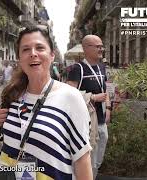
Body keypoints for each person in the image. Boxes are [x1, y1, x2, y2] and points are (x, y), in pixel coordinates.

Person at [0, 26, 92, 179]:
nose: (33, 53)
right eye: (26, 49)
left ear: (52, 55)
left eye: (39, 48)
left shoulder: (70, 97)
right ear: (20, 58)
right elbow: (14, 135)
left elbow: (82, 159)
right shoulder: (13, 93)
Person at [66, 34, 111, 179]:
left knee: (98, 160)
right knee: (87, 160)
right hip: (86, 123)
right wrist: (92, 97)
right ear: (86, 48)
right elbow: (68, 94)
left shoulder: (102, 67)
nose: (101, 49)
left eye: (101, 46)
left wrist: (108, 107)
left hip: (102, 120)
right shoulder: (77, 69)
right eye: (97, 46)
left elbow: (105, 89)